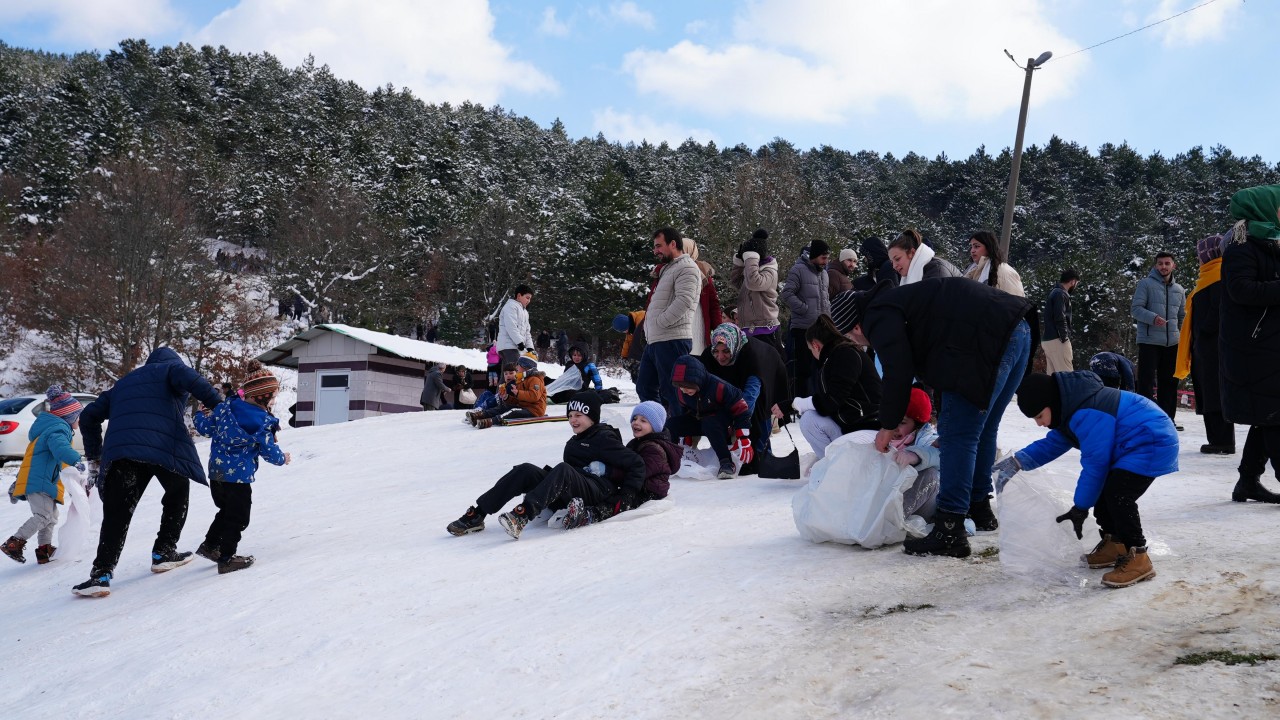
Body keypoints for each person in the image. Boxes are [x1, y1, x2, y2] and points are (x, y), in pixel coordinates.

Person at [841, 278, 1032, 557]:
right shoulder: (898, 302)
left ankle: (950, 529)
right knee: (983, 428)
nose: (857, 343)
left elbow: (898, 371)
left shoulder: (876, 315)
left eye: (850, 337)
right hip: (1017, 327)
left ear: (856, 326)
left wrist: (888, 424)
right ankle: (979, 508)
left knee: (957, 435)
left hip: (982, 341)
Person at [994, 371, 1178, 588]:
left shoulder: (1087, 412)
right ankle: (1115, 544)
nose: (1039, 424)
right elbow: (1052, 444)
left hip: (1151, 442)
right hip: (1132, 444)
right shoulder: (1072, 409)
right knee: (1106, 493)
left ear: (1051, 404)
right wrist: (1017, 462)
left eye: (1039, 416)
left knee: (1118, 495)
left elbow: (1095, 464)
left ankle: (1139, 556)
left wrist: (1080, 507)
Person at [72, 347, 223, 598]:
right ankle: (164, 551)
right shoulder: (171, 369)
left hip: (123, 453)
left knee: (117, 513)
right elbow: (192, 379)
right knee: (177, 494)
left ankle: (101, 574)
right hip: (164, 448)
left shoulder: (122, 384)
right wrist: (219, 406)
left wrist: (95, 459)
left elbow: (88, 417)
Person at [446, 390, 645, 539]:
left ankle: (522, 515)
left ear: (592, 417)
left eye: (579, 416)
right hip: (573, 489)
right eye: (570, 416)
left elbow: (637, 464)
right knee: (525, 470)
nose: (572, 420)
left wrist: (626, 495)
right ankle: (478, 514)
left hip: (597, 491)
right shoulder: (575, 441)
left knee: (563, 469)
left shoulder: (604, 439)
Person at [192, 366, 290, 574]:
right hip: (238, 478)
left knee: (225, 511)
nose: (273, 401)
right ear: (262, 397)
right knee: (238, 518)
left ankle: (210, 546)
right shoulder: (261, 421)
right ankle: (226, 559)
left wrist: (199, 415)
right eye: (272, 397)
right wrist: (283, 458)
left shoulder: (225, 408)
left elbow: (205, 428)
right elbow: (269, 451)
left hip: (216, 473)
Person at [1220, 185, 1280, 504]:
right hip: (1252, 347)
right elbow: (1241, 290)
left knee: (1266, 413)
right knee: (1274, 414)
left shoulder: (1269, 243)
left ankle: (1247, 481)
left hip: (1267, 345)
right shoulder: (1241, 246)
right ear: (1265, 208)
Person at [561, 401, 682, 529]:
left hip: (650, 490)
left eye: (643, 421)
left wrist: (608, 471)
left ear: (655, 426)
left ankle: (590, 515)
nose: (636, 422)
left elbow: (640, 472)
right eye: (634, 418)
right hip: (638, 485)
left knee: (619, 502)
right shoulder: (636, 443)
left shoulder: (654, 449)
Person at [2, 386, 84, 565]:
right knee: (43, 516)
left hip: (44, 480)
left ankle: (44, 550)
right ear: (68, 416)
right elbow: (61, 448)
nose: (80, 419)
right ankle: (14, 543)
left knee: (51, 518)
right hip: (40, 481)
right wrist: (76, 460)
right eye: (78, 416)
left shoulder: (49, 429)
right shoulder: (58, 430)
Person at [788, 315, 881, 460]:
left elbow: (831, 401)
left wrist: (798, 404)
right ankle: (831, 465)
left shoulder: (845, 354)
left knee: (809, 421)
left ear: (815, 345)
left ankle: (834, 467)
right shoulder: (835, 356)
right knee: (810, 419)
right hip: (852, 426)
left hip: (870, 428)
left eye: (810, 350)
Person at [1175, 233, 1234, 454]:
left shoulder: (1218, 276)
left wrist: (1203, 332)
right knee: (1209, 392)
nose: (1199, 258)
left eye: (1201, 254)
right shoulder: (1209, 277)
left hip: (1213, 348)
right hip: (1205, 347)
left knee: (1215, 393)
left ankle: (1222, 441)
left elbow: (1218, 311)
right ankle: (1217, 439)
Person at [699, 322, 791, 458]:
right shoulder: (708, 356)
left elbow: (750, 397)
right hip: (733, 377)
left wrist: (739, 426)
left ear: (734, 346)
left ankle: (763, 452)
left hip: (767, 369)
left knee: (759, 408)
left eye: (726, 351)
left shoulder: (752, 356)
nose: (720, 356)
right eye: (716, 352)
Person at [637, 227, 701, 409]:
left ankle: (676, 435)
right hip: (656, 340)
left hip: (672, 339)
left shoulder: (687, 268)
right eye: (654, 247)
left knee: (672, 393)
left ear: (673, 244)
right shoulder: (668, 269)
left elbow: (685, 301)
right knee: (645, 388)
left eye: (659, 246)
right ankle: (658, 430)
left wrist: (660, 322)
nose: (655, 251)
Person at [667, 354, 754, 479]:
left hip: (721, 423)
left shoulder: (719, 386)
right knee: (671, 424)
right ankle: (671, 459)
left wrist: (743, 436)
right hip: (698, 419)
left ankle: (726, 463)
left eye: (687, 385)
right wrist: (687, 436)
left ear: (697, 380)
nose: (684, 390)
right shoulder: (681, 393)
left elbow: (741, 409)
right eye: (680, 386)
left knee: (710, 423)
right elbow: (684, 412)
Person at [1131, 252, 1186, 425]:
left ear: (1173, 266)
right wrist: (1153, 318)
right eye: (1160, 263)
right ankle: (1144, 419)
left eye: (1167, 263)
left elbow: (1182, 317)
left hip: (1173, 343)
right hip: (1149, 341)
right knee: (1146, 383)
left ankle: (1167, 420)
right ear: (1156, 266)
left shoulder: (1179, 290)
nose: (1163, 266)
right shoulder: (1145, 284)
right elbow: (1136, 309)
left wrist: (1185, 338)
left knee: (1169, 383)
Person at [780, 240, 831, 396]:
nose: (826, 261)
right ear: (814, 256)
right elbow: (787, 294)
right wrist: (804, 309)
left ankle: (818, 399)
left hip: (822, 329)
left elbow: (825, 298)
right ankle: (802, 402)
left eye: (827, 257)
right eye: (823, 258)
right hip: (803, 329)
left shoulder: (824, 273)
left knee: (821, 367)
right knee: (804, 370)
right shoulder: (798, 270)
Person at [729, 228, 784, 357]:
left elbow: (754, 283)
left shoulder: (770, 271)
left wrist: (750, 257)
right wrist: (739, 262)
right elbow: (736, 281)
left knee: (765, 369)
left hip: (765, 329)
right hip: (748, 328)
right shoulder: (751, 270)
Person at [466, 356, 546, 428]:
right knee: (504, 407)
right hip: (523, 407)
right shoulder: (522, 380)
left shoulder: (535, 379)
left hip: (534, 410)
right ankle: (479, 416)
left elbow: (534, 396)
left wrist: (518, 393)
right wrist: (507, 397)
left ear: (525, 367)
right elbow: (518, 401)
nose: (517, 367)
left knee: (513, 411)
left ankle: (490, 421)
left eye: (518, 365)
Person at [682, 238, 725, 356]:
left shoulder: (703, 272)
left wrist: (719, 332)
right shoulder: (669, 271)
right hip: (677, 332)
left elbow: (713, 305)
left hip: (699, 330)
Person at [887, 229, 961, 286]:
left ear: (911, 253)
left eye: (897, 259)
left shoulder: (937, 270)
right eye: (892, 262)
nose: (894, 266)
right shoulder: (911, 275)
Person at [963, 230, 1024, 296]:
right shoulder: (971, 271)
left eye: (976, 246)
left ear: (989, 247)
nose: (972, 251)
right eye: (971, 247)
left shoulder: (1004, 271)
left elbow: (1015, 302)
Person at [1043, 269, 1080, 373]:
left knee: (1052, 379)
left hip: (1048, 339)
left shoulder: (1054, 292)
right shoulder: (1061, 294)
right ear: (1072, 281)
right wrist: (1064, 338)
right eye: (1077, 283)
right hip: (1058, 340)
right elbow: (1060, 316)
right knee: (1067, 378)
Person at [496, 285, 535, 369]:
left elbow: (527, 332)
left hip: (515, 347)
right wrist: (520, 343)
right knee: (513, 373)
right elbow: (511, 326)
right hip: (508, 346)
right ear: (519, 295)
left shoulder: (525, 312)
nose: (529, 301)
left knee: (508, 375)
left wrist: (530, 347)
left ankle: (504, 382)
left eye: (530, 299)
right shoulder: (511, 306)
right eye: (527, 298)